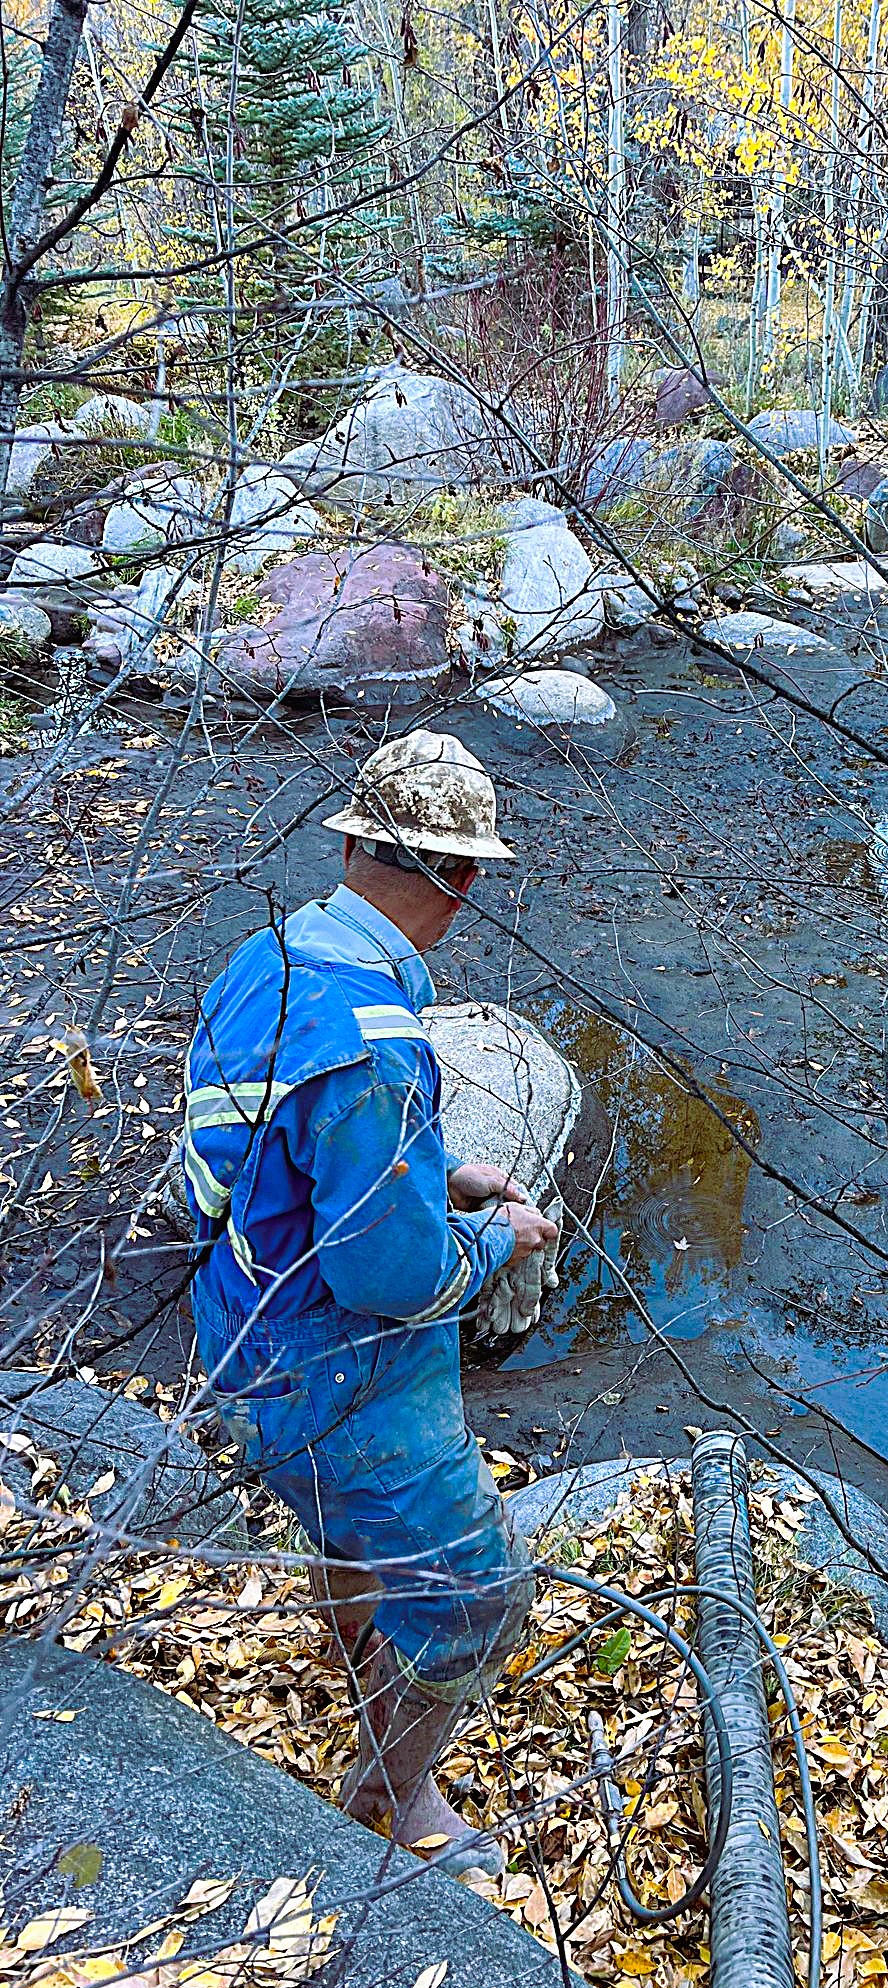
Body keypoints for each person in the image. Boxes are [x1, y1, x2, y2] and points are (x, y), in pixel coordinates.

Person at [182, 730, 558, 1878]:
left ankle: (359, 1653)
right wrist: (496, 1231)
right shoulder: (374, 1042)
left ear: (351, 842)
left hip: (237, 1315)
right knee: (479, 1596)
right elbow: (388, 1277)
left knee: (343, 1533)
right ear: (462, 878)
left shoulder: (271, 956)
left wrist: (434, 1175)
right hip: (336, 1364)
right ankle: (386, 1796)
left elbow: (277, 1152)